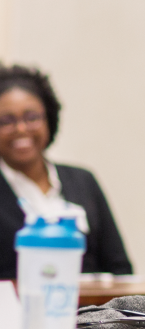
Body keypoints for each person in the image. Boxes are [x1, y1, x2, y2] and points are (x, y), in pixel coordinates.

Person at [0, 64, 132, 279]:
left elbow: (120, 268)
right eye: (6, 121)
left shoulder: (83, 181)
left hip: (90, 301)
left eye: (32, 117)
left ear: (49, 119)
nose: (21, 129)